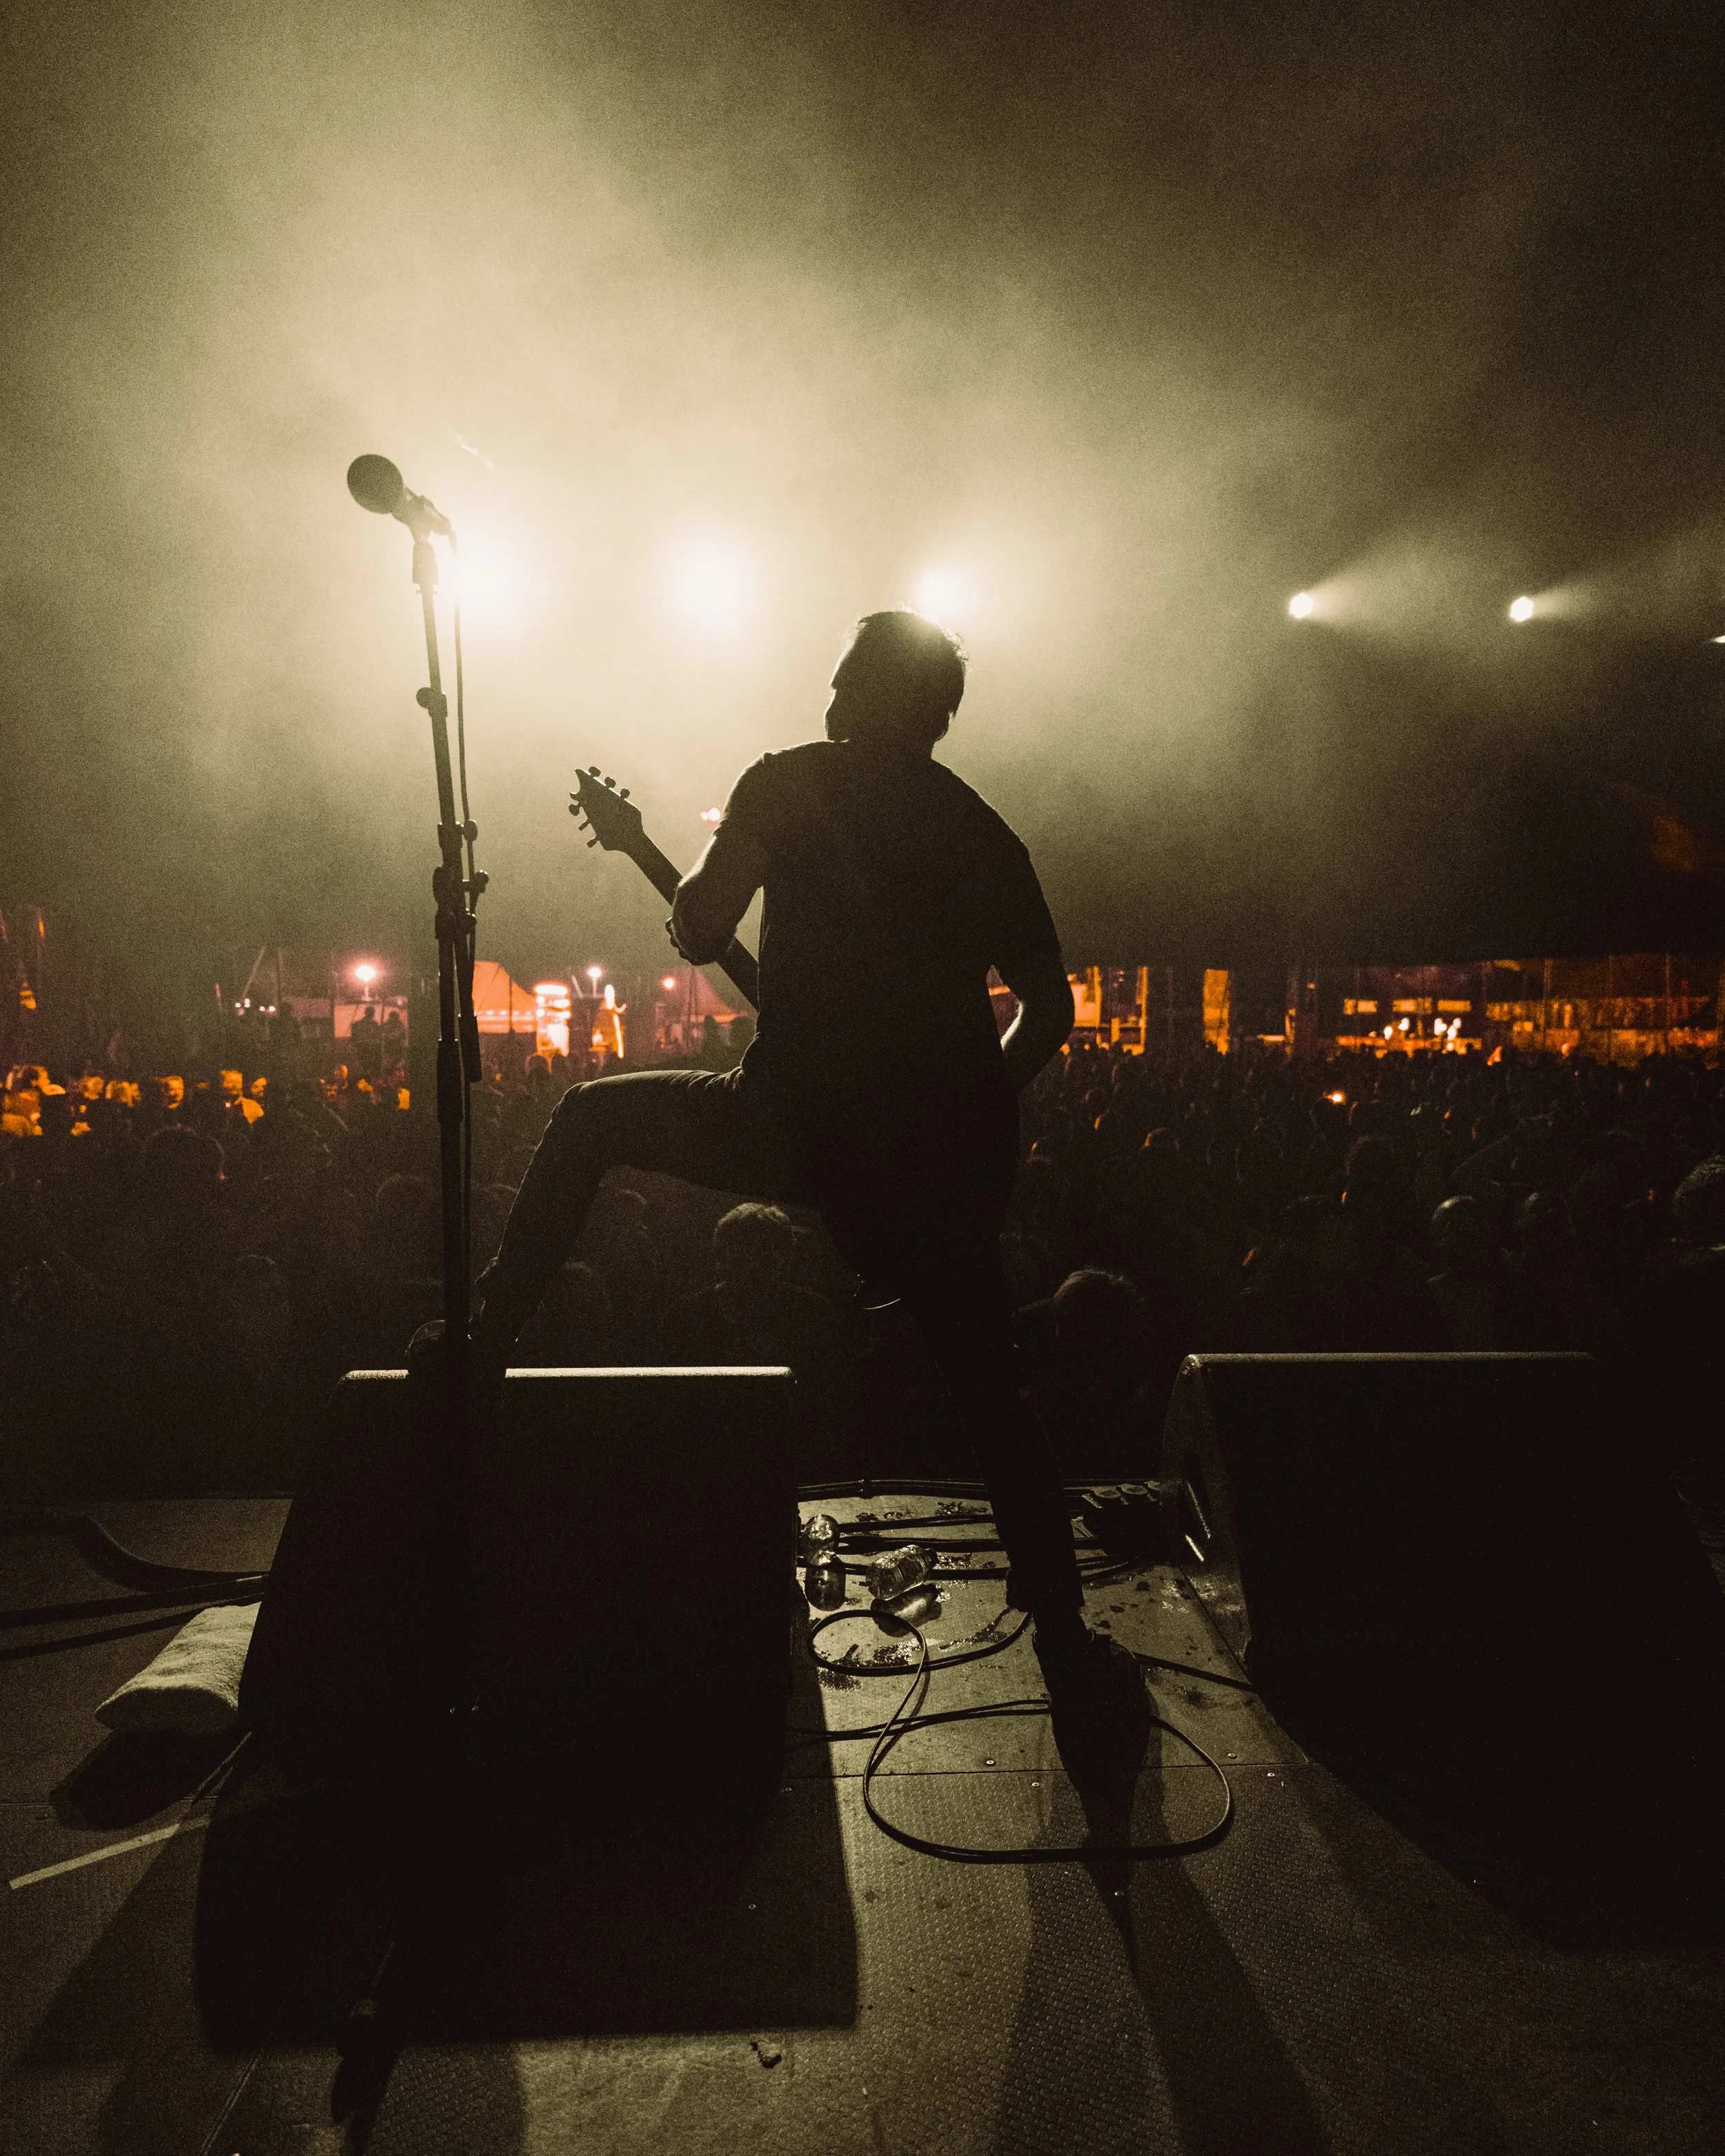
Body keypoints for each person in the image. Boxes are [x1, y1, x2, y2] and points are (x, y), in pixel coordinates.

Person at [431, 608, 1145, 1766]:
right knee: (991, 1396)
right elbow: (1052, 1013)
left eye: (839, 676)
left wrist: (673, 876)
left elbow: (705, 922)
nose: (824, 691)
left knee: (591, 1117)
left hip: (797, 1126)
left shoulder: (787, 782)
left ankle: (486, 1341)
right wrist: (972, 1113)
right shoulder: (984, 830)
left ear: (861, 690)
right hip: (937, 1156)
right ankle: (1064, 1643)